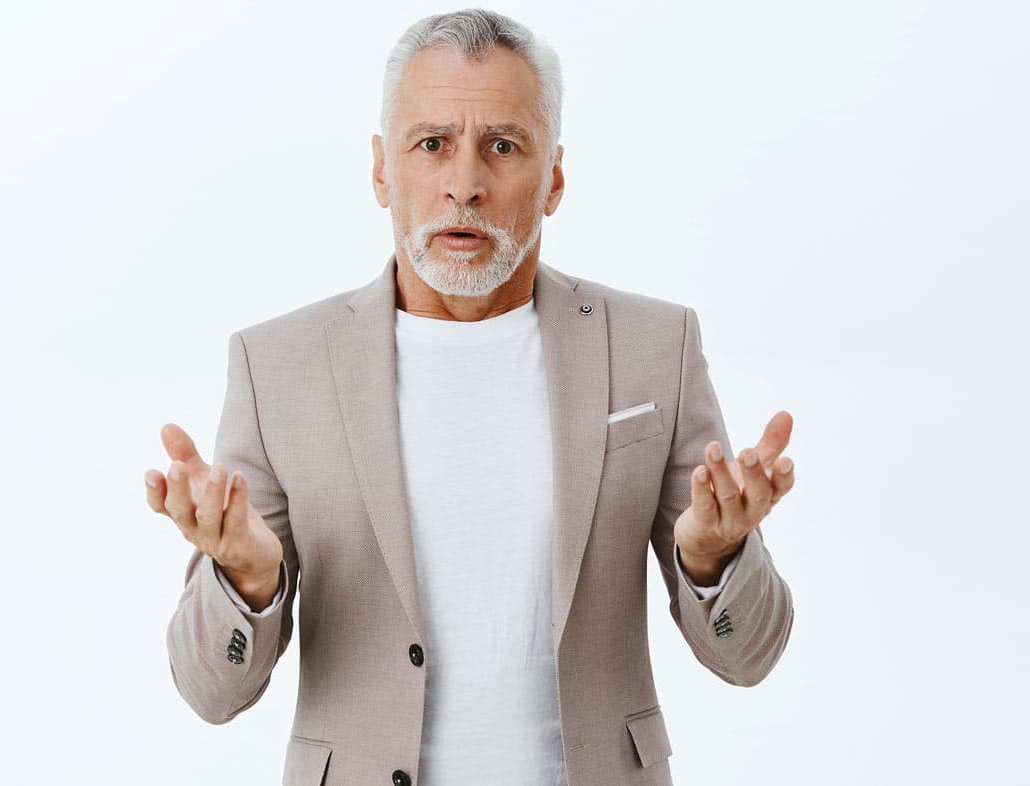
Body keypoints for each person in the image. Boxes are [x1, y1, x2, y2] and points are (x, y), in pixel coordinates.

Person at [144, 9, 795, 786]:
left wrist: (714, 556)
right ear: (382, 170)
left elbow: (748, 658)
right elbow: (209, 693)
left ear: (552, 176)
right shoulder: (276, 365)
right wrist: (246, 582)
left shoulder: (657, 348)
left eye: (503, 146)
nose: (464, 185)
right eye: (431, 145)